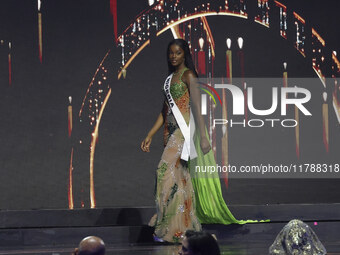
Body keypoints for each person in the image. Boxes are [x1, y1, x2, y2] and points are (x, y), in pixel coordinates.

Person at [141, 39, 262, 243]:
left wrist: (204, 138)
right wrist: (150, 134)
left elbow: (196, 107)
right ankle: (179, 227)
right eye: (171, 53)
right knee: (179, 178)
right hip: (169, 132)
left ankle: (175, 228)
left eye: (178, 53)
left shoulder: (189, 75)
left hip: (184, 131)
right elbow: (164, 111)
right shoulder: (170, 79)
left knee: (163, 172)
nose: (173, 56)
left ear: (184, 54)